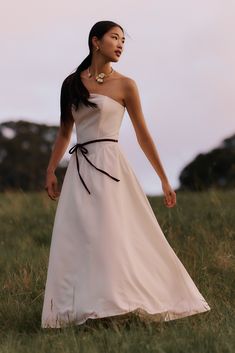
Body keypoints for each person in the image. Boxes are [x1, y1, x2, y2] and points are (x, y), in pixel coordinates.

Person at [41, 20, 210, 328]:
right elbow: (65, 132)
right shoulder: (71, 84)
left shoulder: (126, 85)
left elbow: (144, 135)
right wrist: (52, 169)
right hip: (80, 169)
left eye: (123, 41)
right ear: (96, 41)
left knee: (111, 232)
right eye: (114, 38)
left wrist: (163, 178)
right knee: (80, 236)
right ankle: (81, 309)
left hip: (111, 166)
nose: (120, 44)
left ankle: (118, 305)